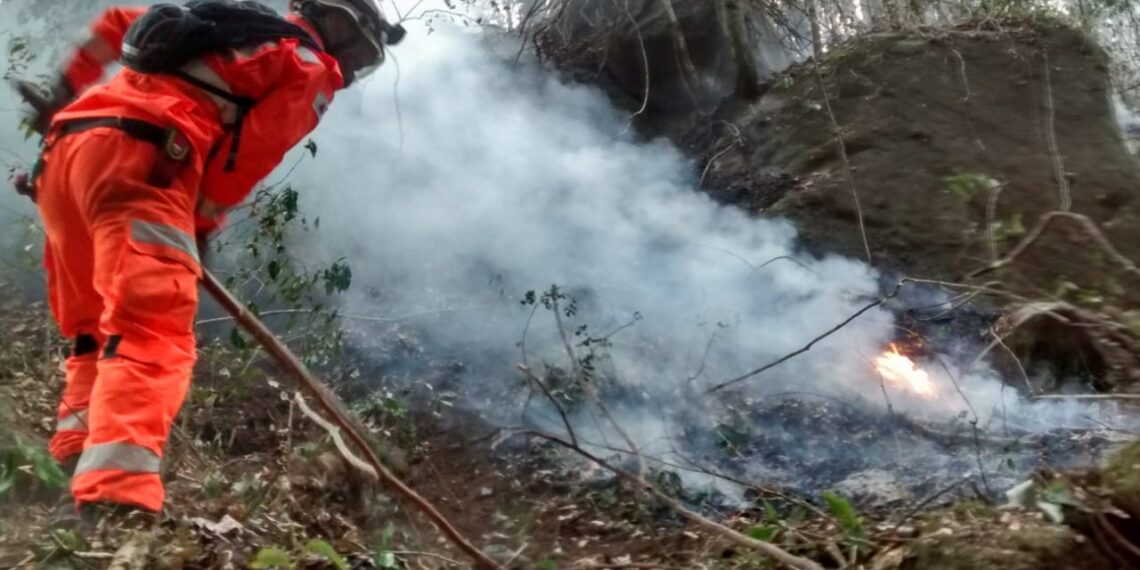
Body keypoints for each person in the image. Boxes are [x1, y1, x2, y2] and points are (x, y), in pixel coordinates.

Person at [21, 0, 399, 524]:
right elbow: (247, 157)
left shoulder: (225, 24)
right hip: (146, 165)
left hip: (64, 155)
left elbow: (115, 23)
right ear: (344, 33)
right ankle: (113, 497)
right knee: (150, 329)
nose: (354, 63)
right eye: (360, 50)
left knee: (93, 332)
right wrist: (199, 222)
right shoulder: (310, 66)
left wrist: (65, 89)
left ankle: (75, 457)